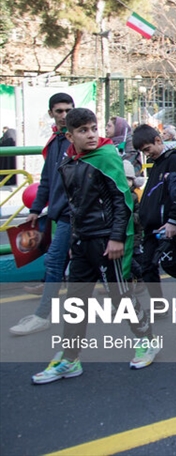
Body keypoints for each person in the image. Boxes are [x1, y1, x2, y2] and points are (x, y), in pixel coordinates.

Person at [31, 107, 150, 383]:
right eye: (83, 130)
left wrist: (117, 237)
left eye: (94, 128)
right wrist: (74, 239)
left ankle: (147, 339)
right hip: (82, 241)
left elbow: (123, 199)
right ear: (70, 135)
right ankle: (70, 359)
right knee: (75, 301)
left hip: (106, 240)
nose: (91, 135)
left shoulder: (106, 157)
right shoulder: (68, 161)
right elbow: (74, 205)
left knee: (120, 297)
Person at [10, 93, 74, 333]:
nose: (64, 115)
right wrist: (36, 209)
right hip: (64, 213)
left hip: (74, 214)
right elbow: (47, 179)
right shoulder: (56, 141)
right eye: (59, 111)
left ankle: (43, 315)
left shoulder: (76, 141)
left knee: (56, 260)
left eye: (68, 110)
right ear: (51, 113)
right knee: (64, 261)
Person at [132, 124, 176, 304]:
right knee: (147, 267)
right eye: (143, 152)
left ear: (157, 140)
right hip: (151, 225)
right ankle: (159, 305)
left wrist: (173, 220)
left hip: (166, 224)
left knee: (169, 264)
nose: (147, 154)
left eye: (147, 149)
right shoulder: (156, 164)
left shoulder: (173, 159)